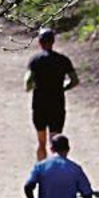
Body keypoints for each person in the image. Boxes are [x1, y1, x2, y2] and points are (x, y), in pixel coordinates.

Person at [25, 26, 79, 161]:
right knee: (55, 141)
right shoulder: (63, 60)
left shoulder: (35, 60)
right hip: (57, 102)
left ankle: (41, 170)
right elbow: (74, 80)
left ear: (39, 42)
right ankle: (56, 169)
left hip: (39, 103)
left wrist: (32, 87)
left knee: (41, 142)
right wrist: (64, 88)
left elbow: (28, 82)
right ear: (53, 41)